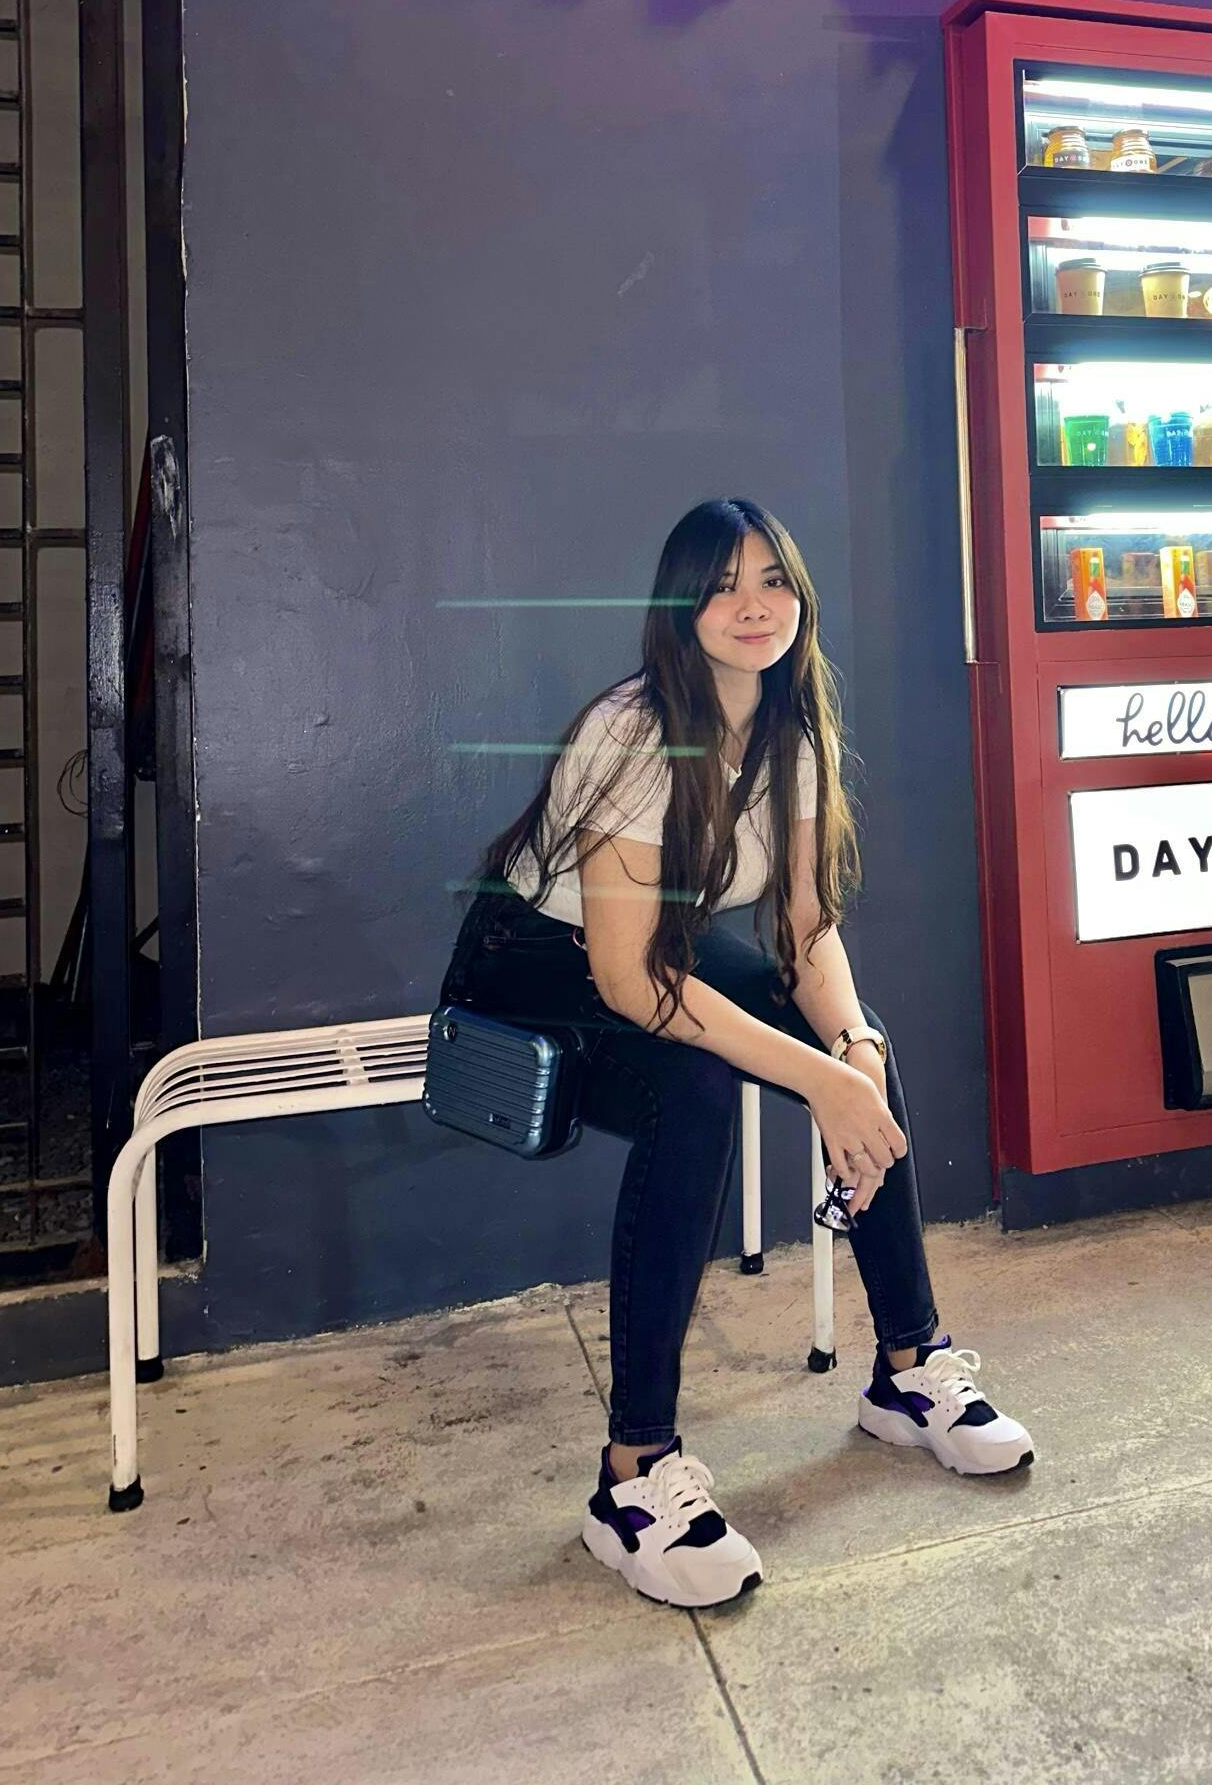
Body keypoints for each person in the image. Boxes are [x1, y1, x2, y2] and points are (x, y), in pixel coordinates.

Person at [443, 497, 1033, 1610]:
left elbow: (804, 927)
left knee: (861, 1043)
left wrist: (850, 1047)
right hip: (533, 963)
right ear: (682, 606)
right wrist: (816, 1078)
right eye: (722, 585)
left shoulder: (791, 729)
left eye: (772, 580)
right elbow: (627, 981)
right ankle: (632, 1477)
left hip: (658, 945)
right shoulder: (632, 731)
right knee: (699, 1088)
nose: (752, 605)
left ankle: (909, 1371)